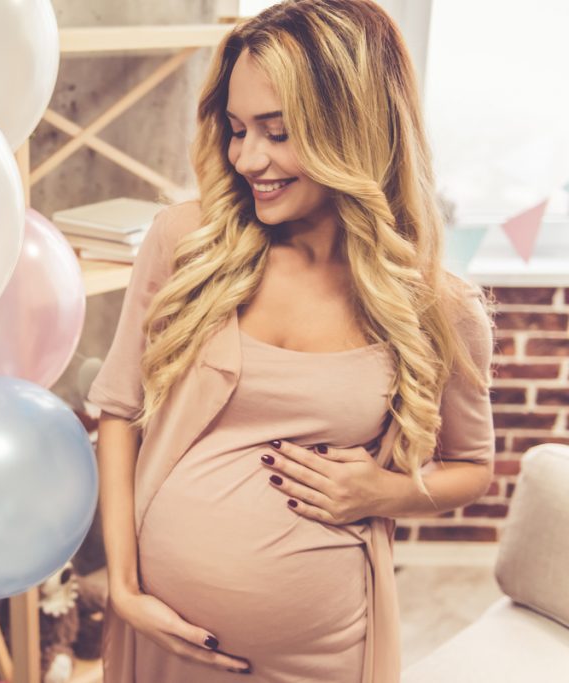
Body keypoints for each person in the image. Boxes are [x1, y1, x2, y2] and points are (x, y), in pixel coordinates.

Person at [86, 1, 497, 681]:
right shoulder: (188, 243)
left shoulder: (436, 306)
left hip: (320, 656)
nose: (248, 158)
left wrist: (380, 491)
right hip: (166, 635)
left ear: (354, 132)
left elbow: (473, 466)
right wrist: (125, 589)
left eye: (277, 132)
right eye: (237, 129)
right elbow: (120, 410)